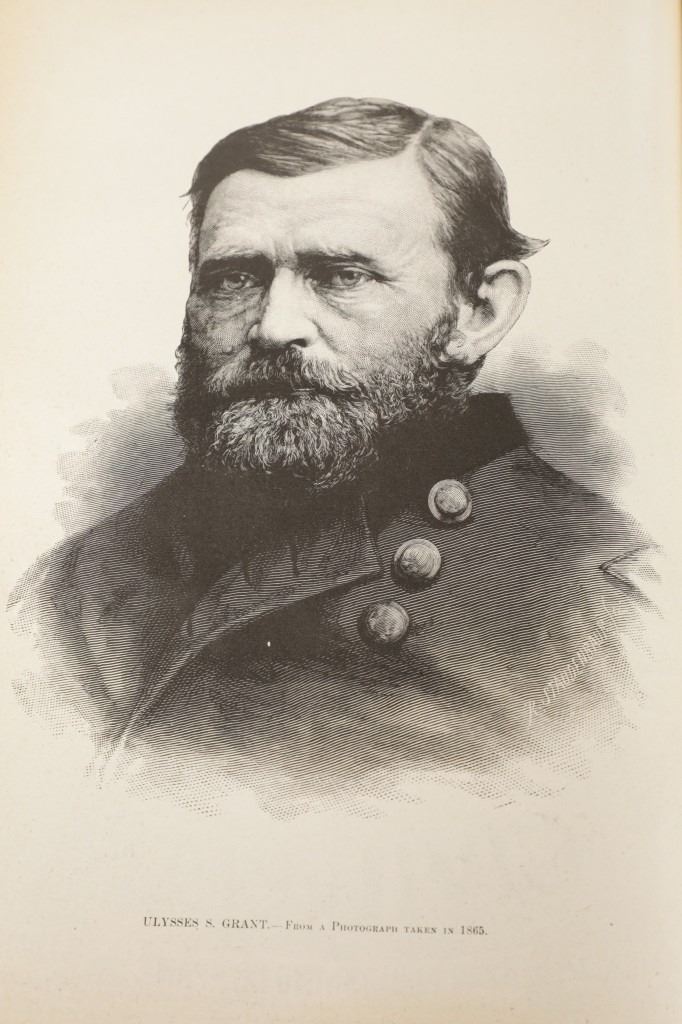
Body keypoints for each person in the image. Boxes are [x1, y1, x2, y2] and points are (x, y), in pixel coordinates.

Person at [11, 98, 655, 811]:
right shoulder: (70, 586)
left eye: (342, 275)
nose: (273, 327)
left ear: (478, 313)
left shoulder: (611, 611)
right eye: (234, 278)